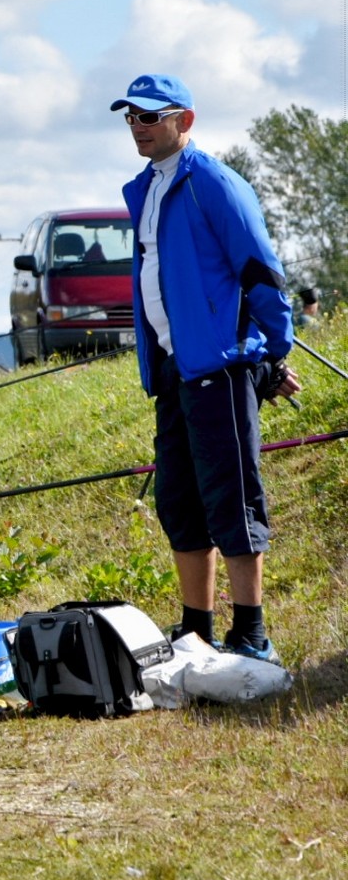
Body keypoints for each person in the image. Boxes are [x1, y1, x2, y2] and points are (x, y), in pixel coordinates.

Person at [111, 73, 301, 664]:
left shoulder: (214, 182)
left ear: (183, 120)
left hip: (220, 365)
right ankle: (197, 626)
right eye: (131, 118)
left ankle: (252, 630)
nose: (138, 127)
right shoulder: (144, 188)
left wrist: (275, 351)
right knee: (180, 500)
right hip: (172, 368)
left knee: (233, 497)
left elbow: (259, 268)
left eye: (149, 116)